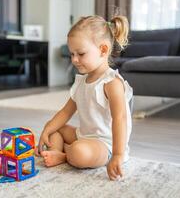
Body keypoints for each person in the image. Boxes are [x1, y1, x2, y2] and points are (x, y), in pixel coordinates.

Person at [35, 15, 133, 181]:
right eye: (72, 54)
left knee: (79, 152)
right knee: (55, 128)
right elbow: (66, 112)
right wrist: (48, 128)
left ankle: (66, 155)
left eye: (80, 53)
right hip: (84, 136)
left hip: (105, 145)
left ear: (103, 50)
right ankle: (58, 152)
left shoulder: (111, 83)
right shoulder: (81, 81)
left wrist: (118, 154)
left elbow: (121, 118)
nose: (74, 59)